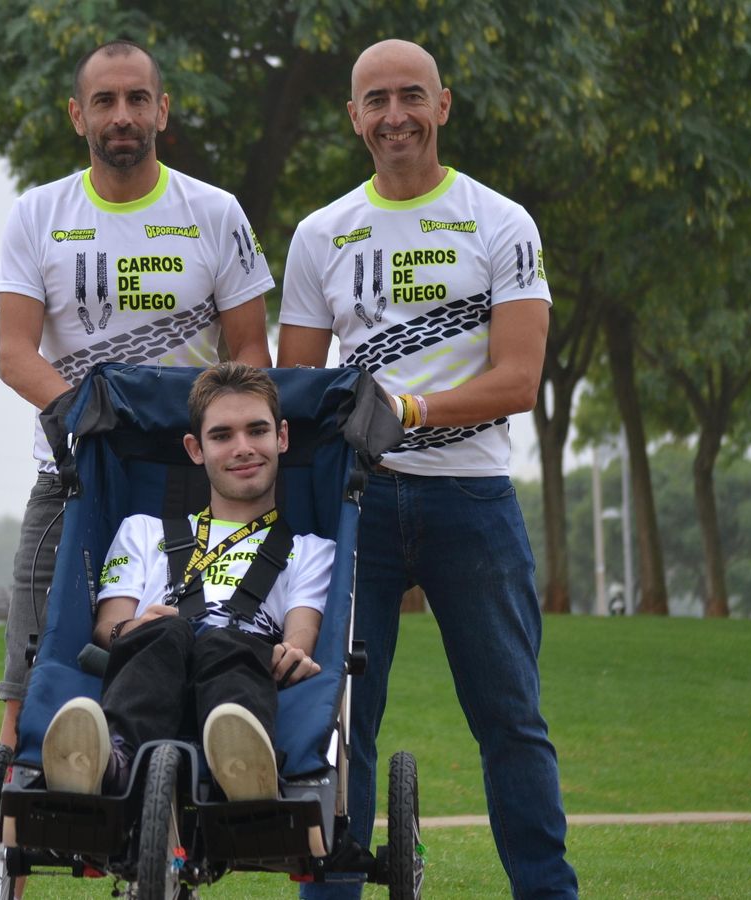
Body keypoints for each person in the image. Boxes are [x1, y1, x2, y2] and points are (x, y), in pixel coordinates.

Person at [276, 40, 578, 899]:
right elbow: (297, 393)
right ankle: (329, 890)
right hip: (355, 507)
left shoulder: (500, 221)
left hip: (472, 502)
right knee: (338, 720)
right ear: (353, 117)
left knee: (511, 719)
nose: (395, 114)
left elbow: (519, 380)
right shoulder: (320, 234)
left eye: (412, 95)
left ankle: (547, 892)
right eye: (376, 100)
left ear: (443, 105)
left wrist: (408, 410)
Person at [0, 40, 274, 749]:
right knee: (29, 675)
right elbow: (13, 353)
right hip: (75, 478)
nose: (123, 115)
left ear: (162, 109)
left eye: (137, 99)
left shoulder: (215, 212)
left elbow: (250, 353)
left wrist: (231, 441)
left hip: (193, 477)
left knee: (215, 640)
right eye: (105, 101)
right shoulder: (37, 214)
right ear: (77, 115)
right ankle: (12, 850)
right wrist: (89, 415)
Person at [41, 363, 332, 801]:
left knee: (224, 641)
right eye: (222, 436)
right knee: (167, 630)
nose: (243, 448)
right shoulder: (142, 530)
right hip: (152, 658)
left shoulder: (311, 550)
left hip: (243, 664)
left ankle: (243, 764)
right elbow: (108, 627)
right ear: (196, 449)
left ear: (282, 438)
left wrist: (293, 657)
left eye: (257, 431)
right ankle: (112, 762)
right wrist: (132, 629)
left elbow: (300, 638)